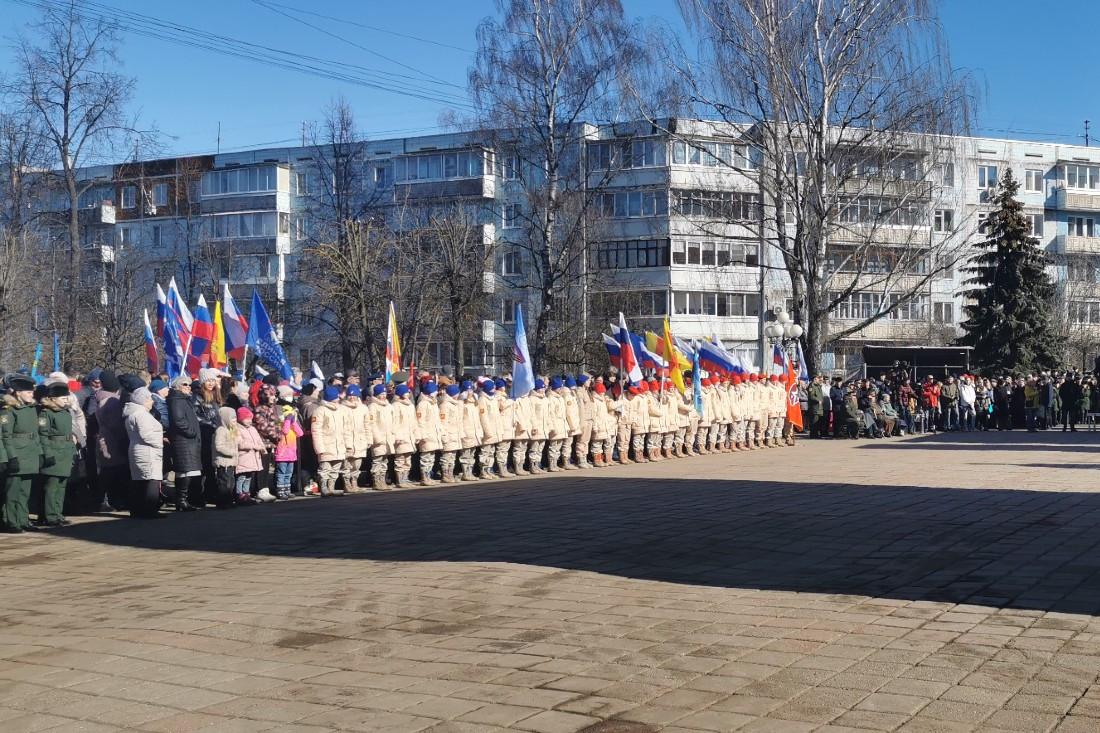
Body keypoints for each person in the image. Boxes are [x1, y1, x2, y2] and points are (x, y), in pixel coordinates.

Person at [35, 379, 77, 527]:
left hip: (64, 451)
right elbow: (43, 434)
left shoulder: (65, 412)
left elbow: (67, 431)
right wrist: (48, 454)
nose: (66, 400)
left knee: (61, 485)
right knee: (51, 486)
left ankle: (58, 513)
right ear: (53, 398)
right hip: (54, 450)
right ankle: (49, 515)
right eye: (63, 397)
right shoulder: (46, 413)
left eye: (67, 397)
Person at [122, 387, 164, 519]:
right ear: (143, 400)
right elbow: (146, 435)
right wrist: (160, 443)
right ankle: (150, 510)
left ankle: (137, 510)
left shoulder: (132, 414)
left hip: (137, 449)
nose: (152, 401)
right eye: (149, 398)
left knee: (139, 480)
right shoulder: (142, 415)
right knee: (151, 479)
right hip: (148, 451)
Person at [166, 376, 201, 512]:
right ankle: (181, 500)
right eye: (185, 384)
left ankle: (183, 500)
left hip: (188, 441)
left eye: (189, 384)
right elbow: (179, 420)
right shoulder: (176, 400)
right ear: (177, 387)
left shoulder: (184, 400)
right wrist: (191, 432)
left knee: (188, 471)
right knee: (184, 471)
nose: (188, 387)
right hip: (183, 441)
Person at [312, 386, 348, 496]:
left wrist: (347, 443)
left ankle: (331, 487)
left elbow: (346, 427)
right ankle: (323, 487)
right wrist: (319, 447)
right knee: (325, 468)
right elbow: (316, 430)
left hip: (339, 444)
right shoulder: (320, 411)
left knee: (336, 468)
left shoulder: (341, 410)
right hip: (326, 445)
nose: (337, 399)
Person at [271, 398, 303, 501]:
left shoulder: (292, 427)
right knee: (281, 472)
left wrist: (293, 421)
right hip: (282, 454)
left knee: (289, 473)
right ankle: (280, 490)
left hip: (291, 454)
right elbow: (285, 431)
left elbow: (300, 433)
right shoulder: (281, 426)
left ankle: (287, 490)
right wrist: (287, 420)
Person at [341, 385, 371, 493]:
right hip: (347, 440)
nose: (352, 397)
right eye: (350, 395)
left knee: (357, 464)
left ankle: (354, 482)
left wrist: (369, 440)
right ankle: (346, 483)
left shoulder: (363, 408)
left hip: (360, 440)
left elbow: (367, 425)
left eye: (354, 395)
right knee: (346, 464)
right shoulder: (342, 408)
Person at [390, 384, 418, 488]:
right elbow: (395, 423)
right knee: (400, 459)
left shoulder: (410, 405)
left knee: (407, 459)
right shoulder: (396, 406)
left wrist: (417, 435)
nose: (408, 394)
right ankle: (400, 480)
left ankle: (405, 478)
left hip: (410, 436)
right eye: (406, 392)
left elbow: (414, 422)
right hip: (401, 437)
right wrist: (397, 437)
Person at [367, 384, 394, 490]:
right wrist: (377, 438)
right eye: (381, 394)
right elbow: (372, 423)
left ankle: (382, 480)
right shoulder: (373, 406)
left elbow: (393, 421)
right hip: (379, 438)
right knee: (377, 460)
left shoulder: (388, 406)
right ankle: (376, 481)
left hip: (388, 438)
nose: (383, 396)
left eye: (384, 394)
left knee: (384, 460)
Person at [235, 408, 264, 505]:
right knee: (241, 477)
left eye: (250, 419)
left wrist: (262, 447)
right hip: (244, 457)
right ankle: (240, 495)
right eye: (246, 418)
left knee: (248, 477)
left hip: (253, 458)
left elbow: (258, 439)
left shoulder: (252, 429)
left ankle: (246, 494)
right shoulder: (237, 429)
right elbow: (240, 444)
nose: (249, 421)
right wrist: (254, 446)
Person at [437, 383, 464, 483]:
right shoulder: (445, 405)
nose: (458, 395)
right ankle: (445, 475)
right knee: (446, 456)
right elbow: (443, 422)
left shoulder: (455, 404)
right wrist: (444, 436)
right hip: (448, 435)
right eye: (457, 393)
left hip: (454, 435)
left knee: (452, 456)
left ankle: (450, 474)